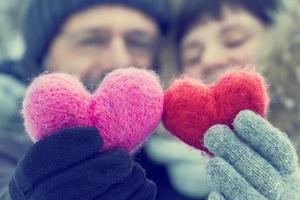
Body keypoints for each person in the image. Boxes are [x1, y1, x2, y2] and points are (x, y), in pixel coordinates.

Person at [0, 0, 171, 199]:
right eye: (91, 40)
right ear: (44, 53)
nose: (119, 61)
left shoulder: (173, 149)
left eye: (138, 42)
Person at [146, 0, 300, 199]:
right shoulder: (149, 180)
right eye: (193, 56)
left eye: (234, 40)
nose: (210, 59)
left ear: (283, 43)